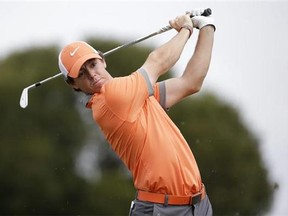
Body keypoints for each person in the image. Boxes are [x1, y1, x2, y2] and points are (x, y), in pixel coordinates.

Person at [58, 9, 215, 216]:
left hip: (198, 204)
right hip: (163, 209)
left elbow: (191, 82)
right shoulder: (112, 98)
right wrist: (186, 28)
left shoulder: (135, 95)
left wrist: (206, 27)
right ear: (74, 84)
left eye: (93, 64)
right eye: (81, 73)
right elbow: (157, 61)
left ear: (102, 60)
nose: (92, 74)